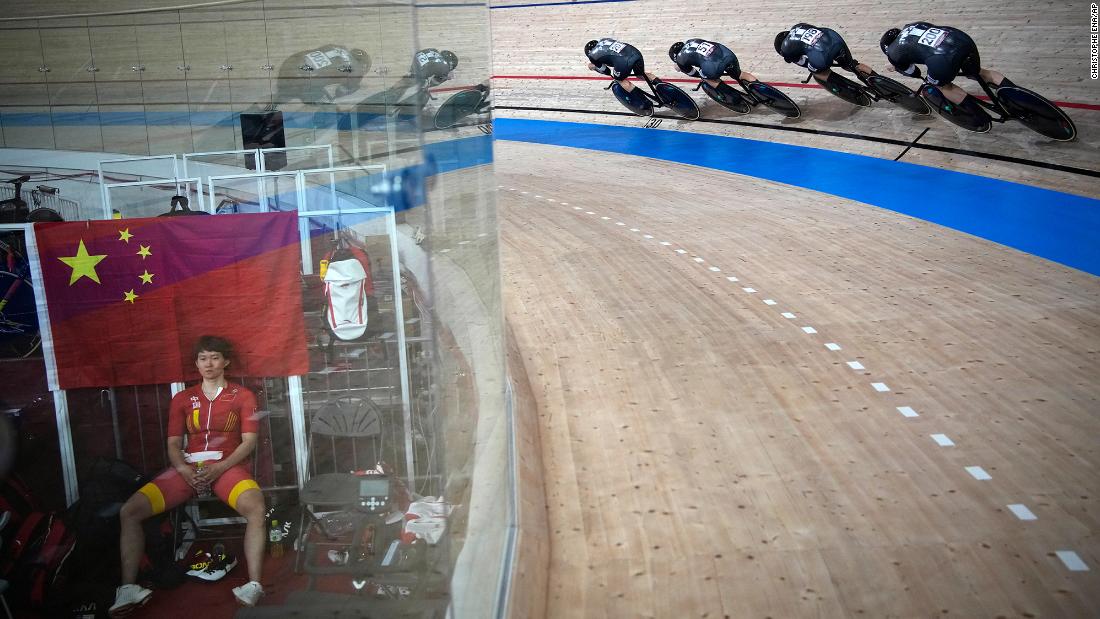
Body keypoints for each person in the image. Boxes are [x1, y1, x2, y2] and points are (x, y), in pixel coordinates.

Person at [109, 336, 267, 616]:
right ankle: (128, 588)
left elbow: (249, 442)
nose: (209, 363)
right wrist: (184, 470)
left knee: (256, 508)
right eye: (203, 358)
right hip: (188, 468)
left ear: (226, 362)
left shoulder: (243, 396)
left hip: (227, 465)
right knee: (129, 511)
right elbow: (172, 444)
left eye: (215, 357)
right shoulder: (182, 398)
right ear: (196, 363)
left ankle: (253, 584)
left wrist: (218, 468)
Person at [879, 22, 1011, 107]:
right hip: (961, 39)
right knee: (978, 72)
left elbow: (914, 73)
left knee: (943, 86)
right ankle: (1017, 96)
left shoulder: (892, 52)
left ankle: (976, 115)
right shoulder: (911, 25)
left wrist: (897, 67)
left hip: (943, 59)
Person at [774, 24, 875, 82]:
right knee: (850, 65)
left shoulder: (786, 49)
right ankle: (879, 82)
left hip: (822, 53)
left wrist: (815, 67)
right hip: (834, 38)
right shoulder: (798, 26)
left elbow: (804, 63)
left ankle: (846, 86)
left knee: (817, 72)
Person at [584, 38, 663, 103]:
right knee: (640, 74)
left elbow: (606, 71)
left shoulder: (592, 56)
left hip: (624, 62)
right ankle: (664, 88)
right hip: (635, 52)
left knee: (620, 80)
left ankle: (644, 102)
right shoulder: (604, 40)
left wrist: (594, 67)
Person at [668, 38, 760, 88]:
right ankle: (762, 88)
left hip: (713, 66)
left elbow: (693, 73)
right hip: (727, 53)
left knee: (706, 78)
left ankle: (729, 93)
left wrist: (702, 76)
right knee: (740, 74)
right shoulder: (691, 40)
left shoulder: (680, 59)